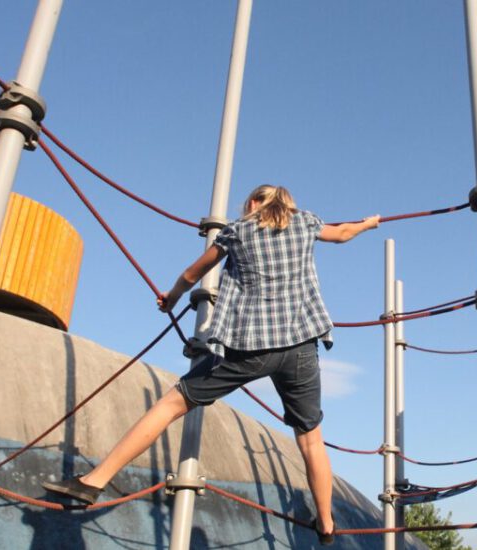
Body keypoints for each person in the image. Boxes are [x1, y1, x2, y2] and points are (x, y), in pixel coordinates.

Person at [42, 184, 379, 545]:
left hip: (250, 348)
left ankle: (94, 482)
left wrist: (171, 298)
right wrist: (367, 224)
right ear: (290, 205)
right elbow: (343, 233)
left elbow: (191, 275)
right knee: (311, 440)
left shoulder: (237, 231)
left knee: (172, 403)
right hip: (301, 349)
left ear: (252, 203)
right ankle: (326, 523)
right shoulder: (307, 223)